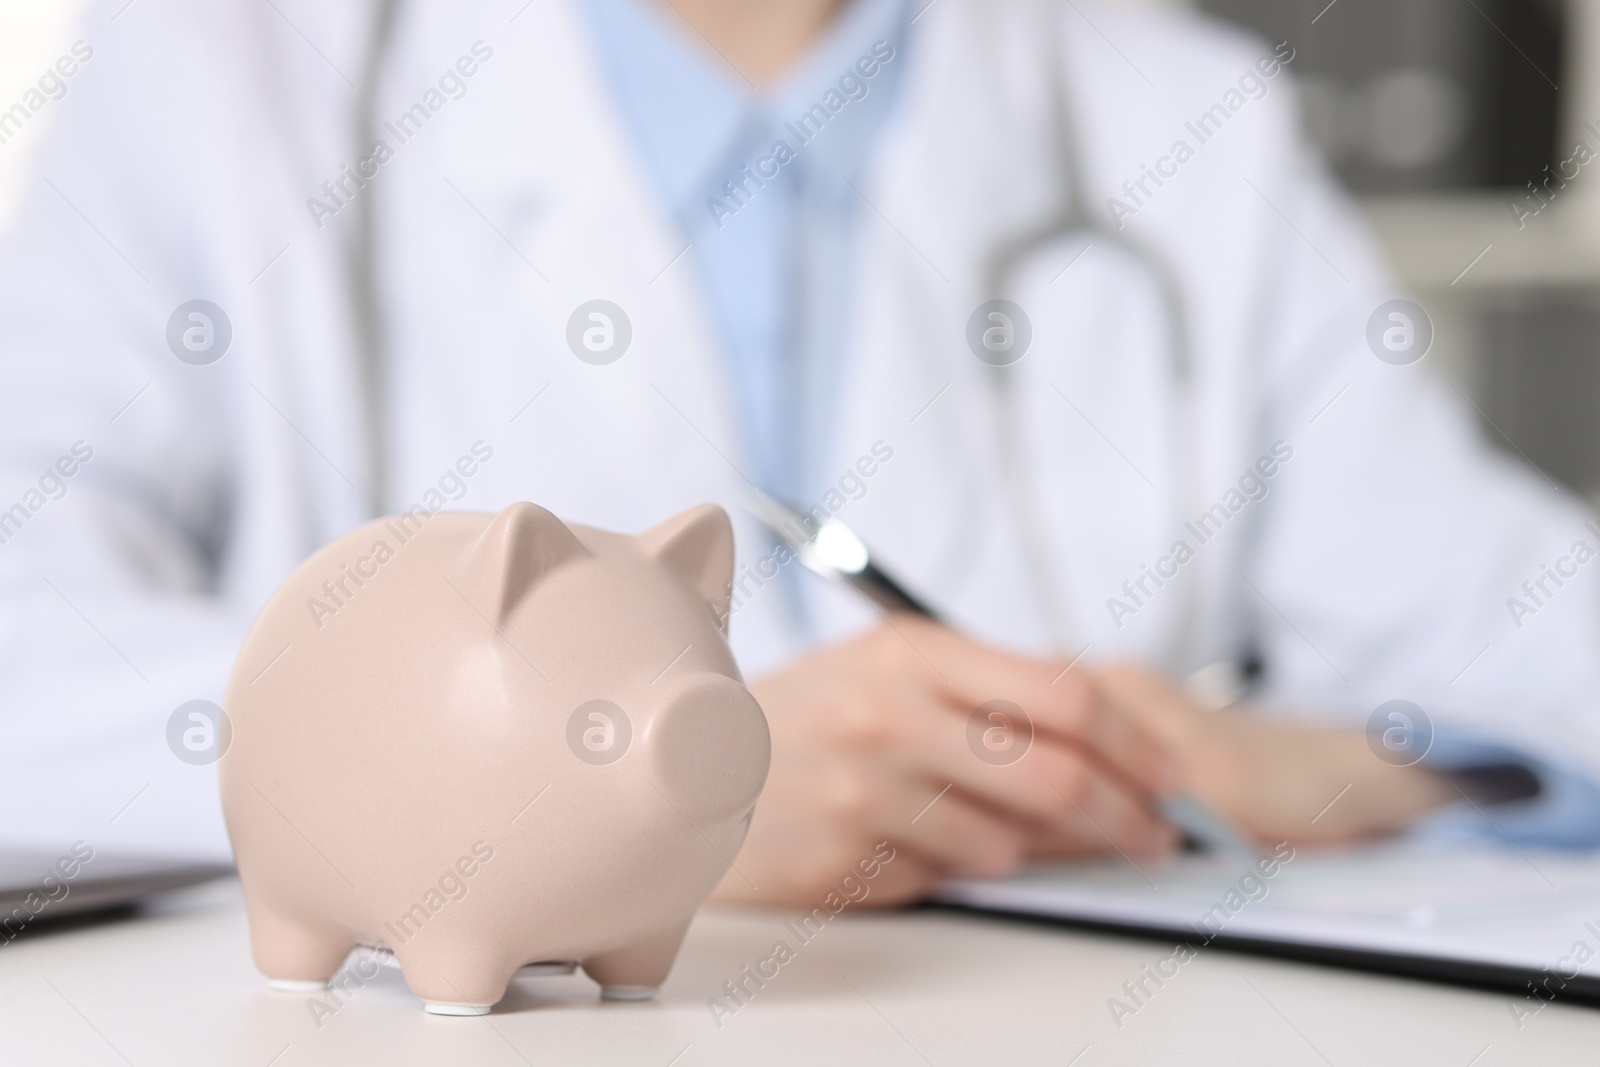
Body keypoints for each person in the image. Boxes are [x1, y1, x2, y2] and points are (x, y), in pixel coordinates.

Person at [2, 0, 1598, 908]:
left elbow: (1539, 651)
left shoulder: (1184, 119)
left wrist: (1347, 768)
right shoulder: (216, 76)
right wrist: (572, 790)